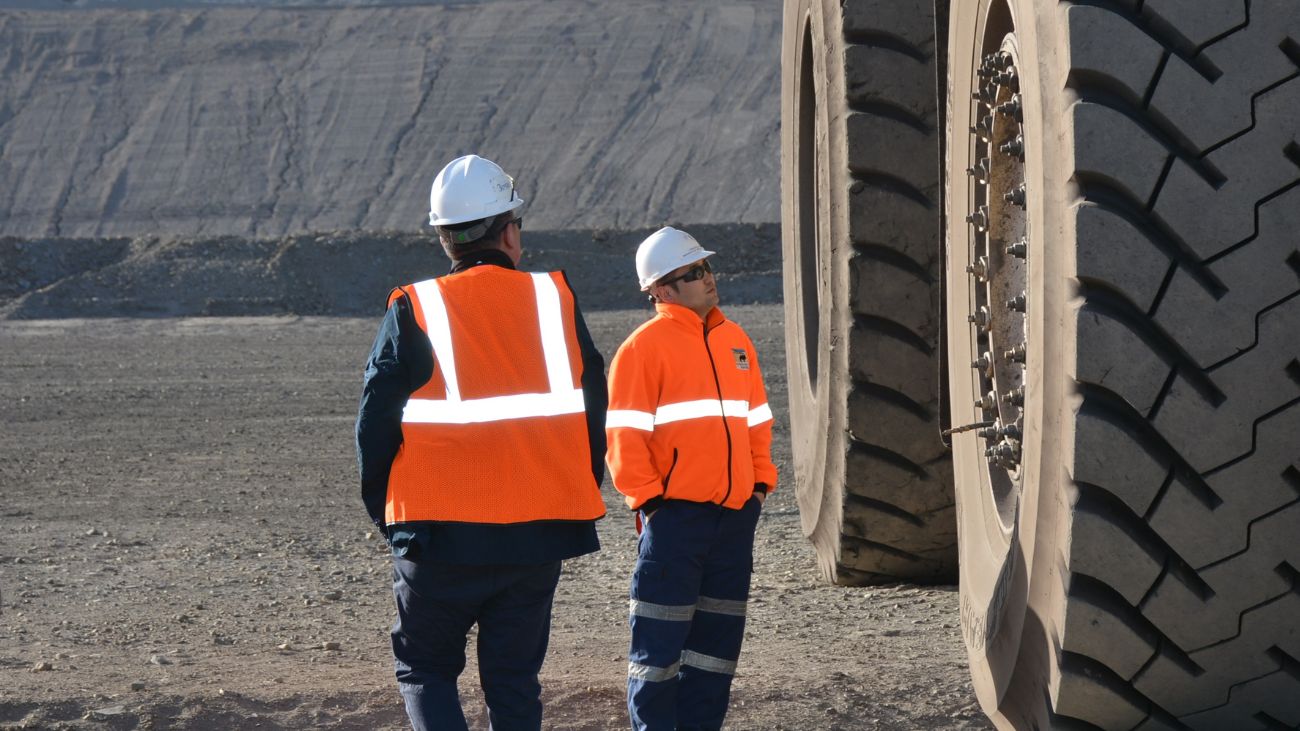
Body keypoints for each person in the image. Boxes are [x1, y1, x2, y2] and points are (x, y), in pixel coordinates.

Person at [355, 154, 608, 731]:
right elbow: (594, 404)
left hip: (438, 535)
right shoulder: (556, 301)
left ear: (446, 240)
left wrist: (389, 515)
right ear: (510, 232)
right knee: (514, 682)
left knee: (426, 669)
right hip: (540, 531)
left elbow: (374, 421)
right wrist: (570, 490)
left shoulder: (413, 306)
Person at [605, 226, 778, 731]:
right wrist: (652, 503)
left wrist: (758, 488)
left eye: (706, 268)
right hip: (675, 524)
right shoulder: (643, 349)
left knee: (715, 655)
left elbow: (757, 422)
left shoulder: (736, 340)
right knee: (657, 655)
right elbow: (624, 437)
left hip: (733, 522)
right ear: (661, 289)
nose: (709, 278)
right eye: (694, 272)